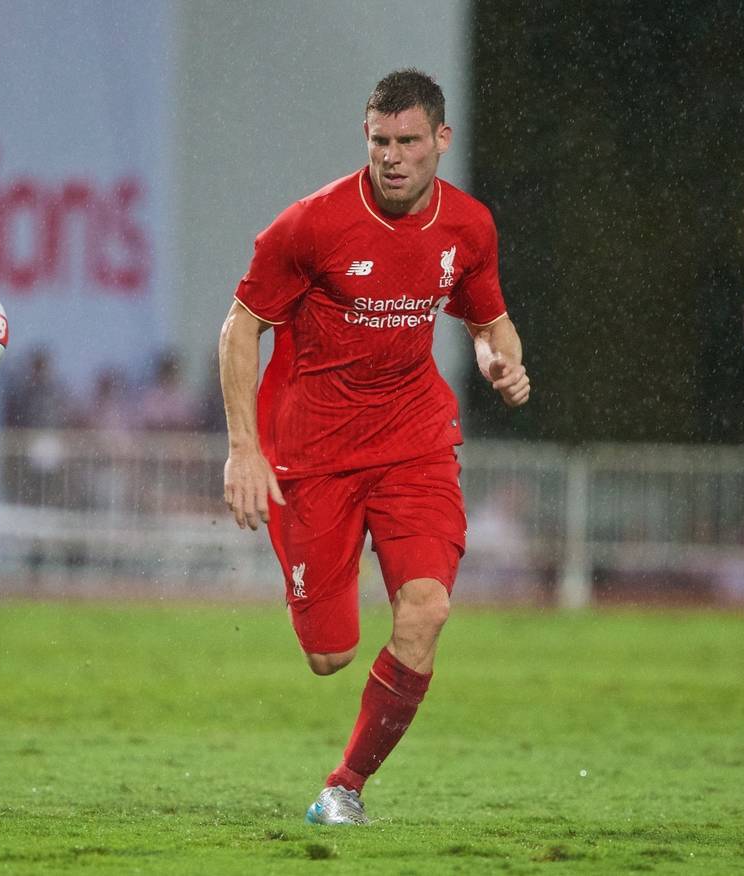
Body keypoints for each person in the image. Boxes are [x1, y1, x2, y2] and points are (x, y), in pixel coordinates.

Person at [218, 69, 530, 826]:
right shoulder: (311, 226)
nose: (393, 157)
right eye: (380, 141)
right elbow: (238, 329)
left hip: (412, 442)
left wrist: (499, 359)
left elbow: (490, 321)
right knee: (330, 656)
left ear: (440, 142)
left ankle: (344, 787)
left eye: (409, 142)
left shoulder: (469, 227)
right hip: (312, 452)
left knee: (426, 611)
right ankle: (338, 557)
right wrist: (243, 450)